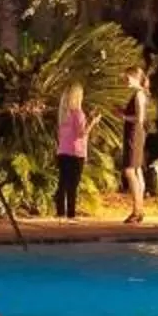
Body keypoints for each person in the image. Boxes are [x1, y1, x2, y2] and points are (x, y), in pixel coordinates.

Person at [119, 65, 151, 225]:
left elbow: (139, 118)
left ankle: (137, 210)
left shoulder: (139, 94)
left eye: (127, 77)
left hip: (135, 134)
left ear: (135, 77)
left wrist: (124, 117)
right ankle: (138, 210)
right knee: (137, 170)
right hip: (137, 134)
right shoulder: (141, 94)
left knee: (130, 171)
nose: (125, 80)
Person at [54, 80, 89, 219]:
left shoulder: (63, 114)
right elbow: (81, 134)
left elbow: (60, 134)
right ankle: (71, 213)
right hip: (75, 152)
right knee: (73, 184)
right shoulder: (78, 113)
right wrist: (92, 123)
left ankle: (60, 211)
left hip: (62, 151)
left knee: (62, 181)